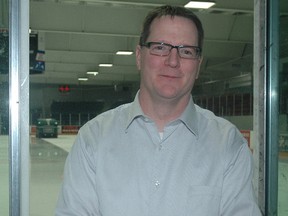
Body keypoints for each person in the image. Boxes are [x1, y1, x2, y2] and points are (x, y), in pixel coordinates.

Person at [55, 5, 262, 216]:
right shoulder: (93, 139)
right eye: (160, 47)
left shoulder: (228, 144)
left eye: (187, 51)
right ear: (139, 56)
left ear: (198, 65)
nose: (173, 61)